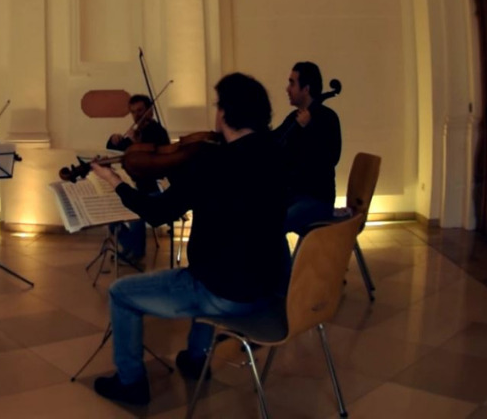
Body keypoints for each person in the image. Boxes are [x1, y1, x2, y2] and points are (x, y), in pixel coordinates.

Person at [89, 73, 288, 407]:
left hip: (225, 293)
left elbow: (157, 213)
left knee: (121, 293)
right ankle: (196, 358)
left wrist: (114, 181)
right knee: (218, 262)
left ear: (225, 113)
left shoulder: (214, 163)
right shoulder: (278, 154)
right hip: (271, 290)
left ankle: (131, 383)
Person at [276, 61, 343, 235]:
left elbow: (330, 158)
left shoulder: (328, 119)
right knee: (263, 216)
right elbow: (274, 140)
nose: (287, 89)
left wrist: (309, 129)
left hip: (317, 200)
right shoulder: (294, 118)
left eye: (292, 83)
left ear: (306, 89)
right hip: (293, 195)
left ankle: (284, 263)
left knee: (274, 225)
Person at [105, 94, 171, 263]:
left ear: (150, 111)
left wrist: (135, 143)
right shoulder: (136, 133)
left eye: (140, 110)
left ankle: (135, 252)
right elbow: (117, 150)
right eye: (133, 112)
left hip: (155, 189)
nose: (137, 115)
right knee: (110, 215)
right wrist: (114, 140)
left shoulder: (158, 133)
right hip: (139, 188)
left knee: (137, 211)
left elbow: (153, 158)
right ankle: (130, 247)